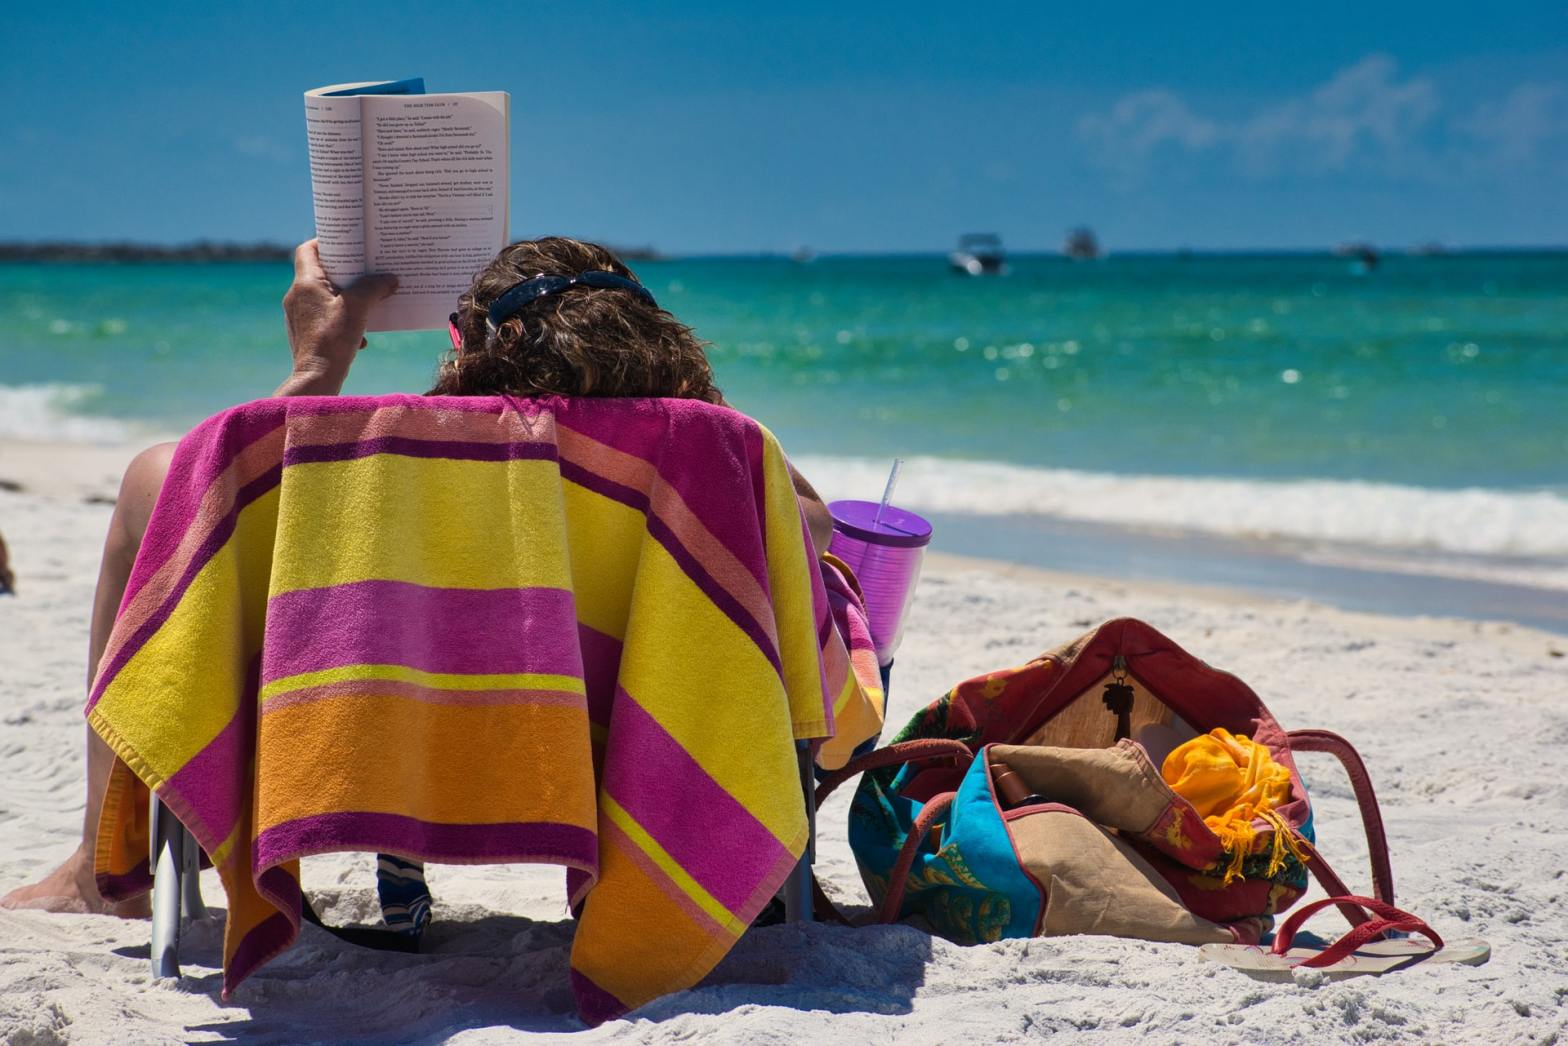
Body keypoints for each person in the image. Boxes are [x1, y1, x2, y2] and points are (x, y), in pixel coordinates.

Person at [2, 236, 835, 915]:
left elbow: (204, 494)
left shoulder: (382, 452)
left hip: (355, 725)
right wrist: (694, 421)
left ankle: (93, 868)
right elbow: (815, 536)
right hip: (624, 729)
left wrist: (314, 370)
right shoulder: (725, 457)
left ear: (464, 346)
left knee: (157, 476)